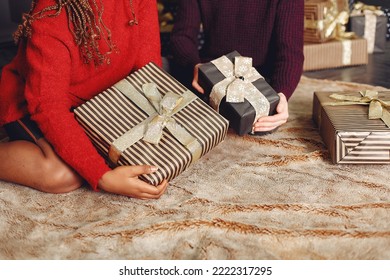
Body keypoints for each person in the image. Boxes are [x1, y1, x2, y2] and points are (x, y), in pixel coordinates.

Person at [0, 0, 169, 199]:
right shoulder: (52, 13)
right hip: (30, 105)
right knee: (63, 175)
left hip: (98, 107)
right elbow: (48, 107)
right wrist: (103, 176)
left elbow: (147, 73)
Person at [170, 0, 304, 133]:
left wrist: (281, 94)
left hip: (261, 82)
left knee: (259, 125)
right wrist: (194, 65)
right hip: (211, 75)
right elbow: (182, 36)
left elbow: (290, 52)